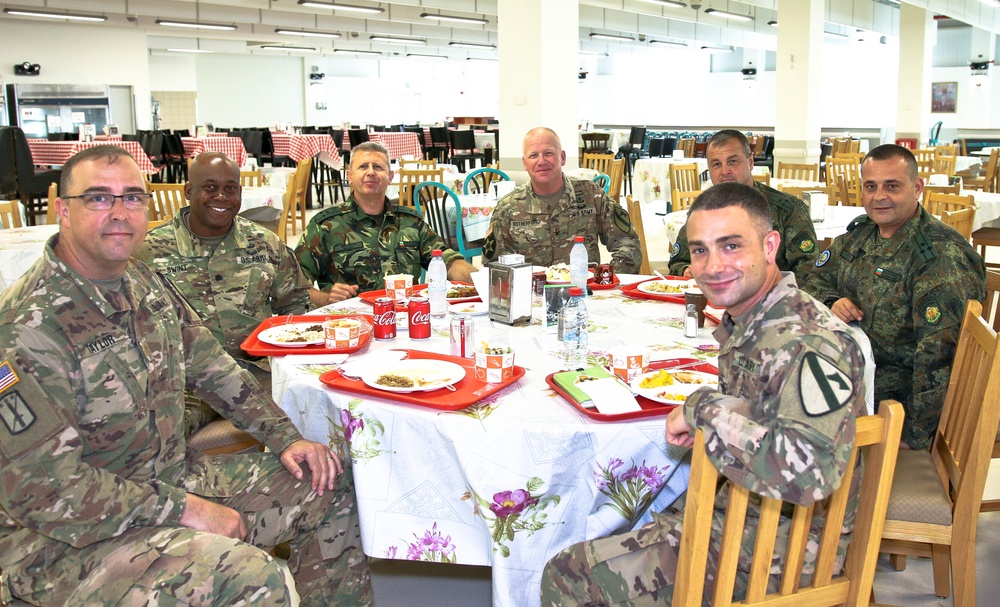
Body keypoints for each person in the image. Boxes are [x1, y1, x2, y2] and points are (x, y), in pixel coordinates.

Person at [0, 146, 372, 606]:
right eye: (99, 198)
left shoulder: (141, 282)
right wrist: (186, 510)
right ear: (63, 210)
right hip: (66, 542)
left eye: (133, 198)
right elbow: (46, 491)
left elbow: (213, 368)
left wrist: (286, 437)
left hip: (169, 479)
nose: (119, 213)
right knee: (249, 577)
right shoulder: (27, 327)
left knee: (328, 482)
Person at [541, 182, 866, 605]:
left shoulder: (810, 341)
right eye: (699, 250)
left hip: (779, 552)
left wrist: (702, 407)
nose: (712, 266)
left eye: (731, 246)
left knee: (567, 574)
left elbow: (809, 473)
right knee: (617, 517)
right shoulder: (757, 320)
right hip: (740, 511)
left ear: (770, 246)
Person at [805, 143, 986, 449]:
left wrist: (912, 436)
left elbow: (939, 358)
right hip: (847, 373)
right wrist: (831, 301)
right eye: (870, 186)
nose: (879, 197)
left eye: (892, 186)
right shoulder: (861, 235)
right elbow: (812, 281)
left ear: (917, 188)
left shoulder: (939, 257)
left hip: (892, 402)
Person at [135, 151, 313, 439]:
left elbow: (296, 307)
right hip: (185, 382)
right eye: (209, 187)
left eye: (230, 189)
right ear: (189, 191)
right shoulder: (147, 252)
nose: (221, 196)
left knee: (315, 412)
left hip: (256, 373)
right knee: (153, 440)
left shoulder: (264, 243)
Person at [294, 141, 474, 305]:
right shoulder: (326, 225)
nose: (370, 172)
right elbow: (293, 288)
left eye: (378, 167)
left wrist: (482, 280)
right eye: (363, 166)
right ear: (349, 175)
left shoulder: (410, 222)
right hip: (351, 325)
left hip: (408, 322)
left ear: (390, 176)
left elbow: (447, 260)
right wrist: (327, 298)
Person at [481, 127, 642, 272]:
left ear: (562, 157)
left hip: (584, 292)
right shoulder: (508, 208)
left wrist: (607, 278)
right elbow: (493, 264)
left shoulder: (591, 195)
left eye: (548, 153)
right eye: (533, 155)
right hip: (533, 296)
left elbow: (628, 242)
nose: (541, 161)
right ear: (525, 163)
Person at [668, 129, 817, 285]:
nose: (725, 171)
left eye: (733, 161)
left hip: (772, 303)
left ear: (750, 162)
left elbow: (809, 271)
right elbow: (677, 263)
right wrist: (686, 270)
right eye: (716, 164)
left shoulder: (788, 210)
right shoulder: (704, 212)